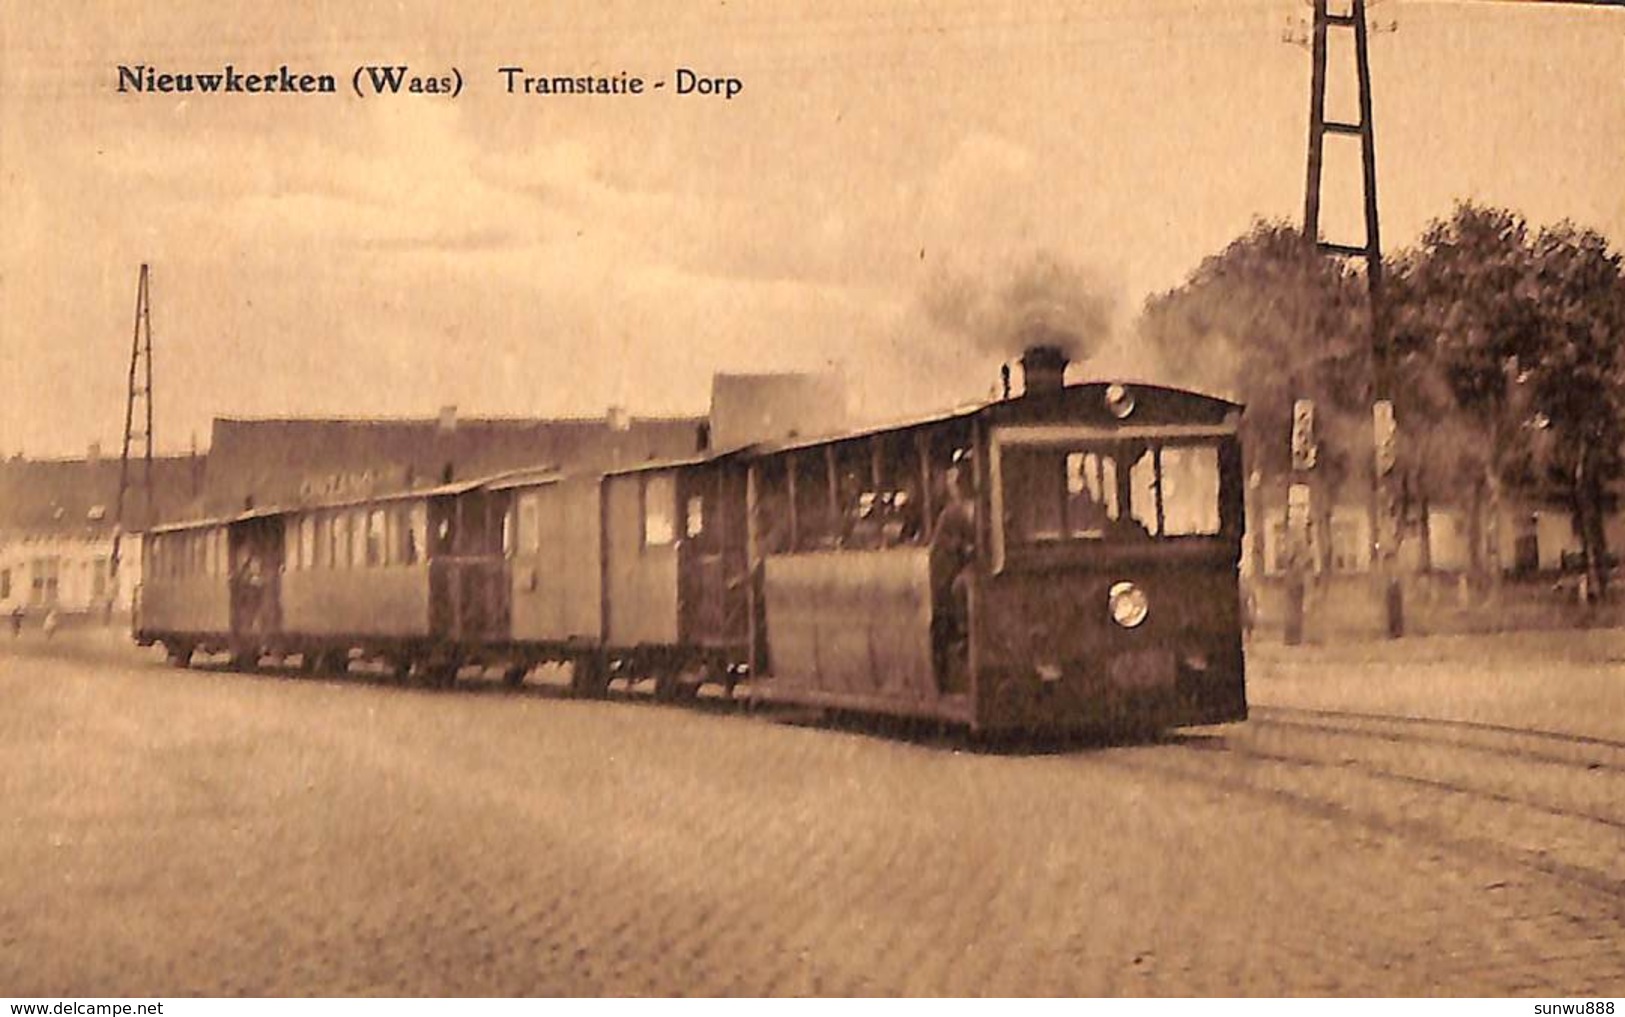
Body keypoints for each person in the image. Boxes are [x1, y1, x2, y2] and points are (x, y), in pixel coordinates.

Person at [928, 463, 977, 690]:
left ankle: (965, 633)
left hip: (971, 567)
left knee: (962, 586)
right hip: (955, 569)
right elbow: (942, 546)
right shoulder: (951, 513)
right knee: (957, 588)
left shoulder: (968, 510)